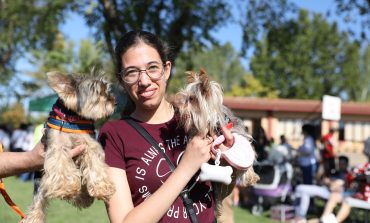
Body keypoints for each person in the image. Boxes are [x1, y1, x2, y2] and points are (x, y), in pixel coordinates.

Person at [98, 30, 244, 223]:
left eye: (152, 68)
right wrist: (186, 167)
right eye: (132, 72)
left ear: (167, 70)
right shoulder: (115, 135)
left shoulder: (195, 116)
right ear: (121, 79)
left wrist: (229, 158)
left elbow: (219, 193)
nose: (144, 81)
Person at [293, 156, 349, 223]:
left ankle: (301, 216)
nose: (340, 165)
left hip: (332, 194)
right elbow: (320, 180)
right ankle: (300, 216)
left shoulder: (346, 175)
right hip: (324, 189)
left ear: (346, 164)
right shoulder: (334, 171)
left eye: (342, 164)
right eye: (339, 163)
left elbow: (333, 187)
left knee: (302, 190)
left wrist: (329, 182)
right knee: (301, 189)